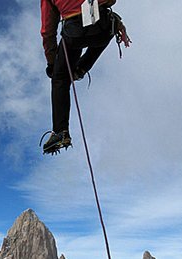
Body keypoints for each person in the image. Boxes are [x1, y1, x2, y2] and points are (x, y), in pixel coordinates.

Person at [40, 0, 117, 154]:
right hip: (104, 25)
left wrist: (51, 63)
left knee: (60, 79)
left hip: (74, 32)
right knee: (103, 34)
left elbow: (48, 30)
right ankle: (80, 69)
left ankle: (61, 132)